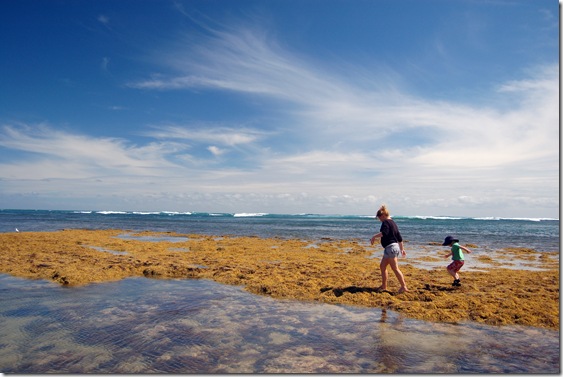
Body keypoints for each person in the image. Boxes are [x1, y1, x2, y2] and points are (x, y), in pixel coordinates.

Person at [370, 204, 409, 293]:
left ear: (383, 215)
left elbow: (384, 233)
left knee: (395, 268)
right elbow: (399, 238)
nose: (380, 220)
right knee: (382, 266)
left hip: (391, 248)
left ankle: (404, 287)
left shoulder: (386, 222)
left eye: (379, 218)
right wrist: (402, 249)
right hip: (391, 248)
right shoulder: (393, 223)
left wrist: (374, 237)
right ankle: (384, 286)